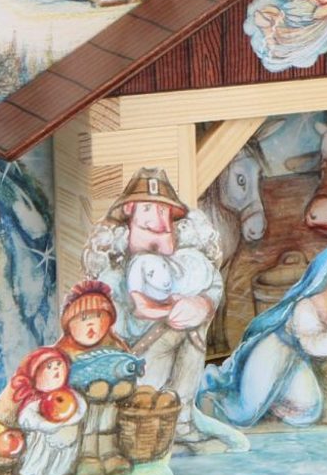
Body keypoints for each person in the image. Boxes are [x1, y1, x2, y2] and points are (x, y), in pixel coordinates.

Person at [85, 167, 246, 450]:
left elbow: (212, 285)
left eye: (164, 210)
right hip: (133, 368)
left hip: (179, 365)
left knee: (190, 329)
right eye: (148, 209)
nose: (158, 221)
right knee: (177, 331)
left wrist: (202, 304)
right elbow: (115, 323)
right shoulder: (113, 275)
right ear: (130, 211)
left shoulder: (188, 264)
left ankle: (181, 420)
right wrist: (163, 314)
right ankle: (154, 421)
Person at [200, 245, 327, 427]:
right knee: (244, 413)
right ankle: (211, 391)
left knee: (308, 412)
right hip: (273, 351)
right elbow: (313, 345)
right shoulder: (305, 305)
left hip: (294, 359)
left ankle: (272, 400)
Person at [55, 279, 132, 475]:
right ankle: (87, 456)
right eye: (83, 318)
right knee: (88, 421)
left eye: (98, 316)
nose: (91, 324)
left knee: (108, 420)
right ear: (69, 324)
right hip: (80, 409)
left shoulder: (114, 345)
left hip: (109, 405)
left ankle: (110, 453)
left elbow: (127, 367)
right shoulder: (64, 352)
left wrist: (123, 385)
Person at [8, 347, 86, 475]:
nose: (56, 369)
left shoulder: (70, 395)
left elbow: (81, 406)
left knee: (65, 455)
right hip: (42, 437)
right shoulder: (35, 400)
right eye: (49, 366)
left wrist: (72, 418)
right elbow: (26, 418)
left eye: (59, 364)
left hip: (67, 434)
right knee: (39, 455)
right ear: (35, 375)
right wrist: (44, 424)